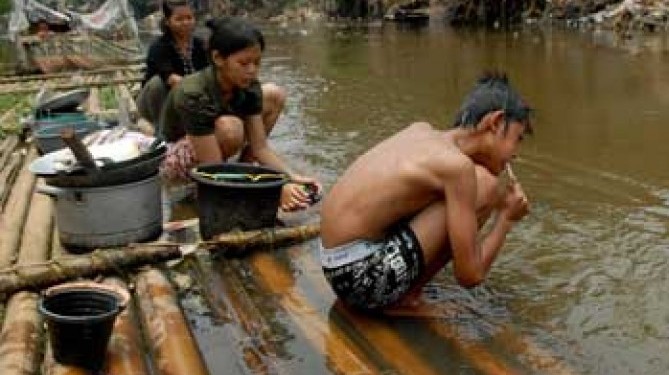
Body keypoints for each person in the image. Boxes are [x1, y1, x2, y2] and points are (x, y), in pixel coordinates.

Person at [319, 72, 532, 313]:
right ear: (495, 122)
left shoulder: (421, 131)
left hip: (334, 265)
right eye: (517, 138)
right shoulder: (457, 169)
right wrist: (506, 219)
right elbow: (470, 276)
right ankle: (407, 298)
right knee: (484, 186)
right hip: (359, 280)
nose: (516, 153)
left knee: (468, 188)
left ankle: (403, 289)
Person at [159, 16, 320, 211]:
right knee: (230, 129)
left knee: (273, 95)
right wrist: (273, 190)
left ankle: (243, 171)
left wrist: (290, 177)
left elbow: (260, 148)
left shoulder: (249, 86)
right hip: (174, 158)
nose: (252, 71)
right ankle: (231, 184)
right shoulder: (192, 93)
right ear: (218, 59)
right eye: (243, 64)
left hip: (209, 149)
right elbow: (214, 168)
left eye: (257, 63)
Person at [137, 0, 209, 126]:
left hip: (189, 99)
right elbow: (171, 79)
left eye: (189, 18)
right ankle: (161, 129)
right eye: (179, 19)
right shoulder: (159, 47)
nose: (186, 22)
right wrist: (196, 90)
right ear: (167, 22)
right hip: (157, 101)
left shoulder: (200, 45)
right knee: (157, 83)